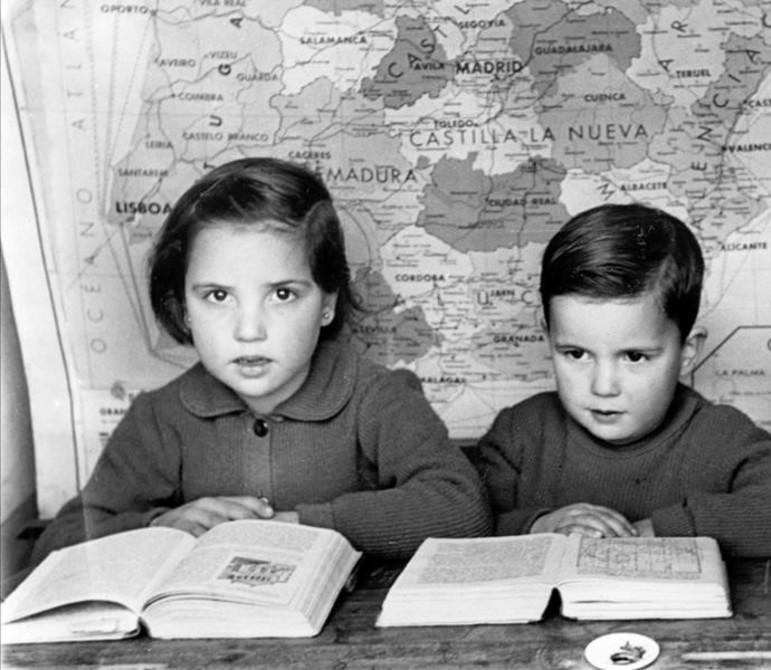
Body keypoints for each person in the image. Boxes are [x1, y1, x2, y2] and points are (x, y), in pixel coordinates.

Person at [32, 157, 491, 563]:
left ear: (327, 302)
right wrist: (158, 528)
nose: (249, 329)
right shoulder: (158, 419)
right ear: (182, 311)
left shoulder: (376, 397)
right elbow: (60, 540)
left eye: (282, 294)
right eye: (218, 296)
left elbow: (462, 508)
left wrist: (304, 525)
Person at [475, 203, 771, 558]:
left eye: (634, 357)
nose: (603, 386)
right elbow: (464, 524)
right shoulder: (518, 434)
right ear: (548, 338)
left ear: (687, 352)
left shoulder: (720, 435)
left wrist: (668, 529)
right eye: (575, 354)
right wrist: (538, 526)